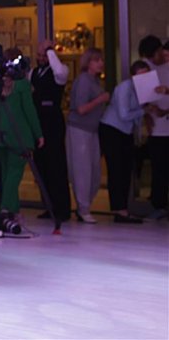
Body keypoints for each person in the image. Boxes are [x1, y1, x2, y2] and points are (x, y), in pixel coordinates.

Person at [99, 60, 153, 223]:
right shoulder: (125, 87)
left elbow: (135, 117)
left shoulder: (141, 90)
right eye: (141, 75)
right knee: (117, 170)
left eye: (146, 75)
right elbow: (124, 114)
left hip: (125, 131)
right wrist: (144, 111)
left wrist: (138, 135)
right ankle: (119, 210)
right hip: (112, 130)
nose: (144, 79)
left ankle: (122, 209)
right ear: (133, 76)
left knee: (125, 169)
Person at [0, 54, 43, 219]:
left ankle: (13, 210)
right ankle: (6, 209)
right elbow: (29, 111)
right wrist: (38, 134)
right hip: (18, 135)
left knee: (6, 174)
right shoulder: (23, 86)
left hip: (0, 134)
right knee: (14, 174)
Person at [30, 40, 72, 221]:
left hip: (53, 121)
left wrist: (50, 51)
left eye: (44, 55)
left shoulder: (60, 71)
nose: (41, 58)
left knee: (56, 165)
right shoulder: (34, 73)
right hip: (38, 121)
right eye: (39, 55)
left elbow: (59, 72)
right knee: (41, 165)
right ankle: (48, 206)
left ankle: (62, 208)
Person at [67, 48, 108, 223]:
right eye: (96, 60)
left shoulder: (95, 81)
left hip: (92, 129)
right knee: (83, 170)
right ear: (88, 62)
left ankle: (84, 206)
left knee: (94, 172)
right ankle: (83, 208)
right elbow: (81, 108)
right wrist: (100, 100)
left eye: (101, 60)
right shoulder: (84, 80)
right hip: (80, 129)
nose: (100, 63)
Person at [139, 35, 169, 219]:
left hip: (164, 119)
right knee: (159, 168)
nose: (155, 59)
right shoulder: (146, 68)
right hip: (157, 128)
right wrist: (148, 113)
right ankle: (159, 204)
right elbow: (142, 97)